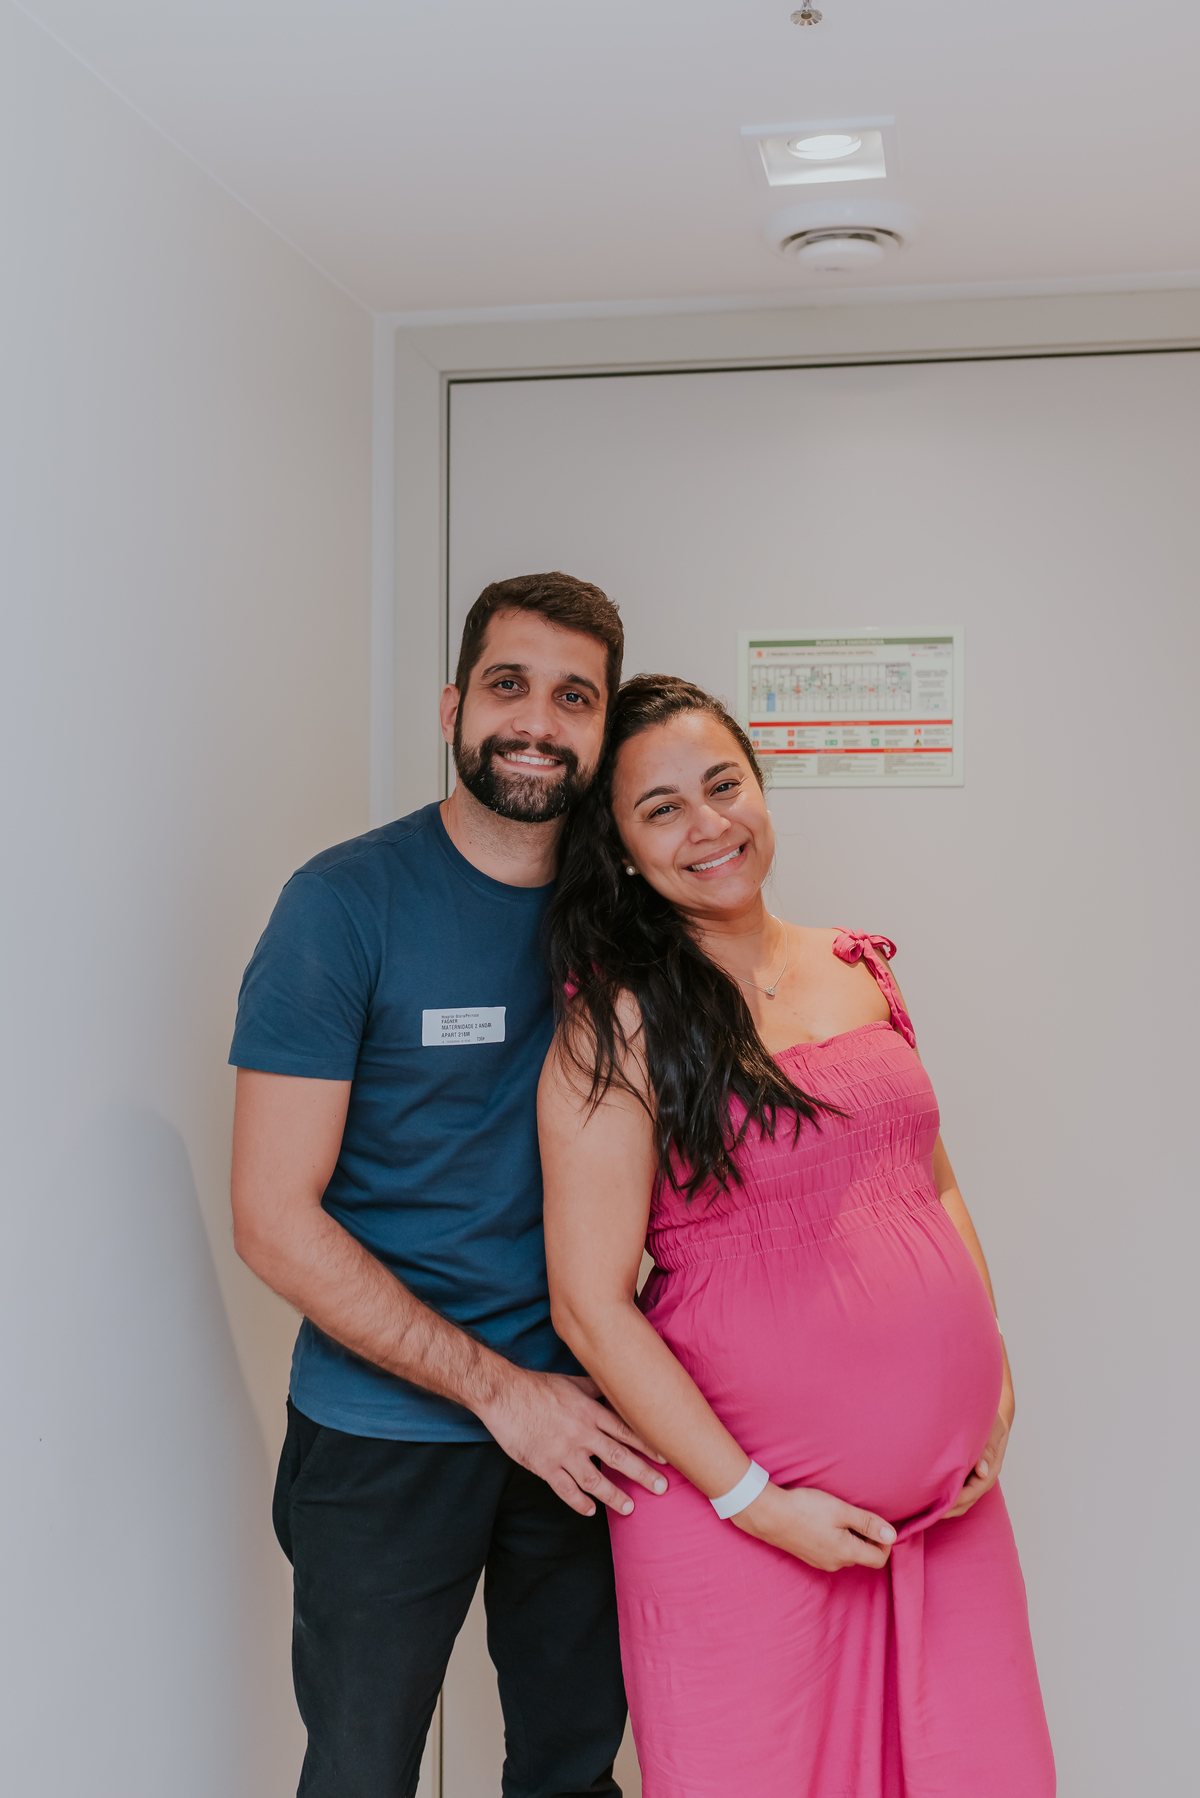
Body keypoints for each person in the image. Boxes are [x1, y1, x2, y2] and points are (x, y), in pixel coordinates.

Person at [537, 674, 1056, 1798]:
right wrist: (754, 1501)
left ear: (762, 789)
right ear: (621, 848)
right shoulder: (615, 1025)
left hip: (945, 1514)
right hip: (743, 1528)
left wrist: (995, 1380)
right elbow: (587, 1301)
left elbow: (931, 1175)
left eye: (724, 784)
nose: (709, 824)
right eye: (661, 808)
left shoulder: (857, 968)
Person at [229, 574, 669, 1798]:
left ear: (604, 725)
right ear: (452, 705)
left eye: (574, 696)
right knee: (363, 1773)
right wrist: (496, 1391)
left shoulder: (628, 919)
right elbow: (270, 1215)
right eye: (508, 685)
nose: (537, 720)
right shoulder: (342, 906)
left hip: (586, 1429)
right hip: (384, 1432)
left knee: (576, 1768)